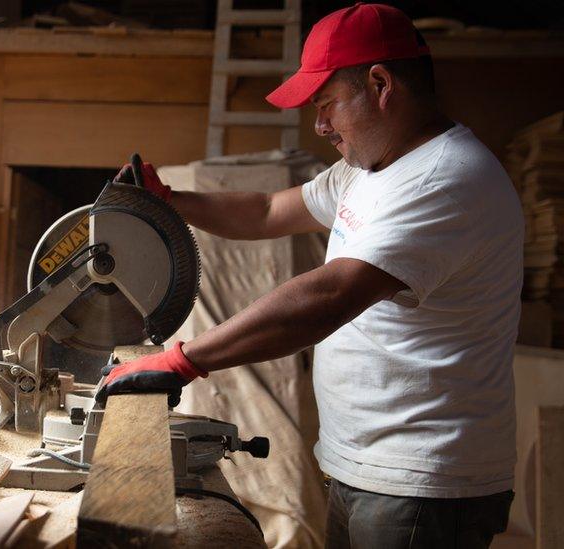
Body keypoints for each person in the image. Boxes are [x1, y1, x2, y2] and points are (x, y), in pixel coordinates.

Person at [96, 3, 521, 547]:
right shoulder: (370, 169)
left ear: (380, 84)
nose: (319, 126)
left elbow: (330, 295)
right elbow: (269, 211)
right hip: (365, 466)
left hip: (421, 483)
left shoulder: (445, 178)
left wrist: (184, 360)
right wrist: (168, 200)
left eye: (326, 105)